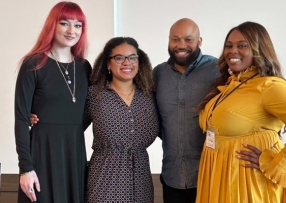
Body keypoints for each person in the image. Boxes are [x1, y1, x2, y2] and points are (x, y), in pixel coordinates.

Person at [196, 21, 286, 203]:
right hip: (218, 170)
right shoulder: (231, 85)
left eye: (242, 46)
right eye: (229, 46)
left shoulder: (269, 86)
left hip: (248, 178)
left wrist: (280, 162)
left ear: (259, 49)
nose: (233, 51)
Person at [14, 2, 91, 202]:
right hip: (42, 152)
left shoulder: (84, 67)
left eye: (77, 25)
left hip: (74, 153)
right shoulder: (34, 64)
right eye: (64, 23)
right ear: (52, 25)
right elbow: (22, 118)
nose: (71, 31)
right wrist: (25, 169)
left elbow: (89, 112)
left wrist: (65, 127)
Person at [83, 37, 159, 203]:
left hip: (141, 182)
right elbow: (70, 128)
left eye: (132, 57)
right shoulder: (94, 95)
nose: (127, 62)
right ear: (108, 64)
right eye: (119, 58)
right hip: (105, 180)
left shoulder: (150, 96)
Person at [153, 18, 219, 203]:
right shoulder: (158, 74)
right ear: (169, 40)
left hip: (211, 175)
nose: (181, 45)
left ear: (199, 41)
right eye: (176, 39)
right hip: (171, 175)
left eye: (188, 39)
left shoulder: (218, 70)